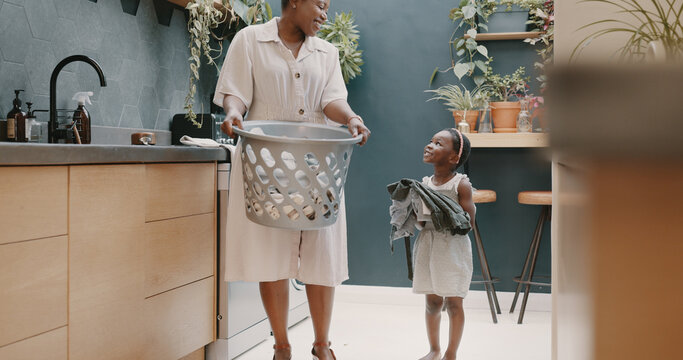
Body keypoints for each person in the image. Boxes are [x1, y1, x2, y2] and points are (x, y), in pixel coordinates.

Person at [213, 0, 370, 359]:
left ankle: (322, 345)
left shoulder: (327, 52)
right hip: (266, 160)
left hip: (319, 162)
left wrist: (351, 118)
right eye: (320, 4)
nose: (325, 13)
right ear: (294, 1)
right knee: (271, 253)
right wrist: (234, 113)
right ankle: (282, 346)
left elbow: (332, 99)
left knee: (321, 254)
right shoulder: (250, 39)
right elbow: (236, 92)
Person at [415, 129, 475, 360]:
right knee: (432, 303)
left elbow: (468, 223)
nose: (429, 145)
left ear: (453, 157)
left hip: (451, 250)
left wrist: (445, 214)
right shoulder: (424, 184)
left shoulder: (461, 185)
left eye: (438, 143)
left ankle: (451, 353)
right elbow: (421, 222)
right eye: (430, 141)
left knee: (453, 304)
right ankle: (434, 349)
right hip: (429, 248)